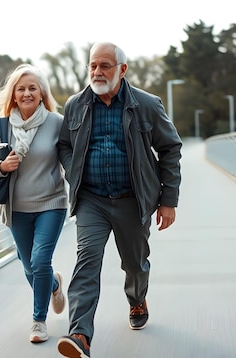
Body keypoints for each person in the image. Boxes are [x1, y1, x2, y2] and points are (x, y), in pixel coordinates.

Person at [56, 42, 183, 357]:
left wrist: (169, 199)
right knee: (86, 263)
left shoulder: (147, 104)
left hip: (133, 200)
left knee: (134, 264)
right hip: (92, 200)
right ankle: (80, 335)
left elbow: (170, 148)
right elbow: (64, 145)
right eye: (93, 66)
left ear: (122, 70)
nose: (97, 72)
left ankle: (137, 299)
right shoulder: (75, 105)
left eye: (105, 66)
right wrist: (76, 174)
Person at [0, 64, 68, 344]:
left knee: (39, 260)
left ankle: (39, 321)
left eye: (33, 87)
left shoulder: (57, 122)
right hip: (16, 208)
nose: (27, 92)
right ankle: (54, 285)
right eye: (21, 88)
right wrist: (3, 166)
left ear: (42, 93)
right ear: (14, 95)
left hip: (51, 204)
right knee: (29, 266)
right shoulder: (4, 126)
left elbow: (72, 158)